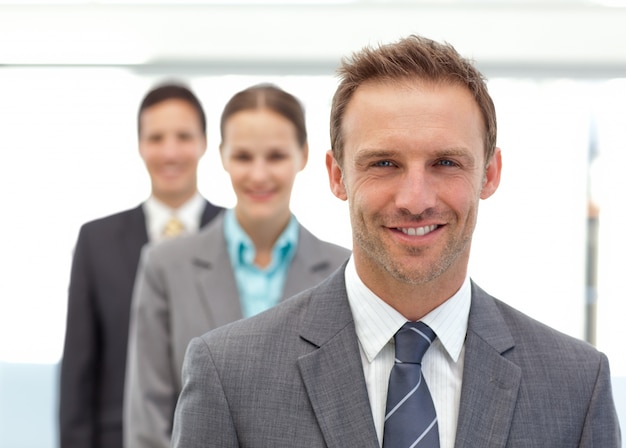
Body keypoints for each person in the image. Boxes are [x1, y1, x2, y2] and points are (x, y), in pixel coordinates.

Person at [170, 35, 621, 448]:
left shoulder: (577, 386)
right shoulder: (229, 374)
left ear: (490, 173)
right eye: (384, 163)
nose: (415, 200)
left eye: (446, 162)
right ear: (336, 175)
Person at [124, 83, 351, 448]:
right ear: (223, 157)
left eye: (276, 156)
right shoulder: (165, 266)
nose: (259, 175)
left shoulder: (343, 270)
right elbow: (147, 420)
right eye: (244, 157)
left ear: (303, 155)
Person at [58, 82, 223, 448]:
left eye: (183, 136)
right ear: (139, 145)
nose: (169, 152)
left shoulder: (237, 236)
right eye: (156, 137)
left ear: (204, 143)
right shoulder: (96, 242)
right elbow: (78, 375)